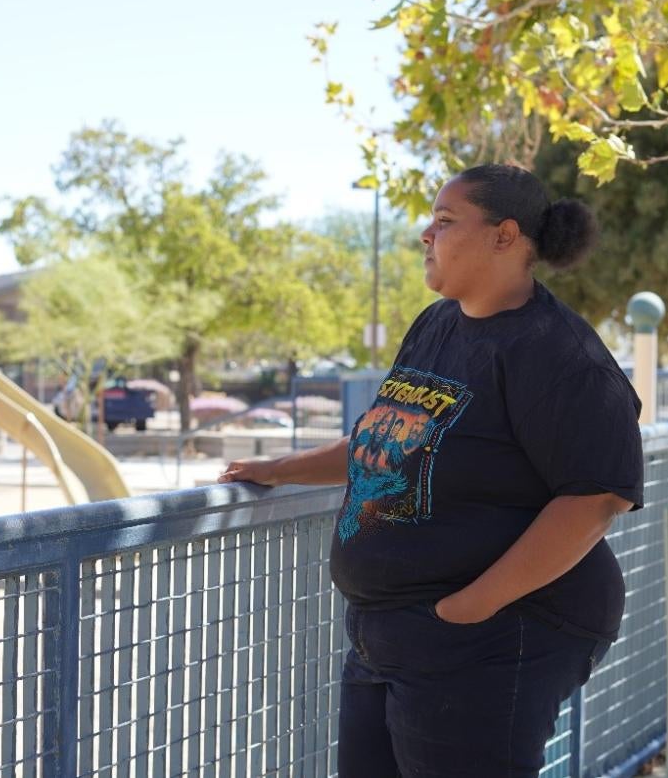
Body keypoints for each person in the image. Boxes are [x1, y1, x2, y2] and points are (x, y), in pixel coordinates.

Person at [219, 164, 644, 777]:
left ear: (505, 236)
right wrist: (276, 468)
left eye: (445, 221)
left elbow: (595, 500)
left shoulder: (558, 355)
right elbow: (389, 438)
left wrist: (468, 608)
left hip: (495, 636)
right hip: (390, 635)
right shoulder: (436, 324)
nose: (427, 235)